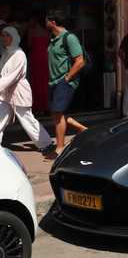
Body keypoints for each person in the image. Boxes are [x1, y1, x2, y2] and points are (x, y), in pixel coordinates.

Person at [44, 10, 87, 161]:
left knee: (58, 113)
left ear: (53, 22)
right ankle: (86, 131)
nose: (45, 23)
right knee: (55, 114)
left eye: (46, 21)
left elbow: (79, 62)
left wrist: (66, 79)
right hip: (53, 81)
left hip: (66, 80)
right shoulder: (52, 38)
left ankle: (59, 149)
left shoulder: (70, 38)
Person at [0, 27, 53, 151]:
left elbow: (12, 76)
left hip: (18, 91)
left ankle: (45, 143)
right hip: (5, 92)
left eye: (7, 35)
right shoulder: (5, 54)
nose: (4, 38)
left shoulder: (19, 54)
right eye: (3, 35)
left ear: (14, 37)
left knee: (27, 118)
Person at [26, 10, 50, 114]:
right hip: (46, 57)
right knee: (47, 82)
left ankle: (38, 108)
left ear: (35, 18)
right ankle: (48, 106)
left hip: (36, 58)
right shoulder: (49, 30)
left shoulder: (32, 30)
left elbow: (28, 45)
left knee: (36, 82)